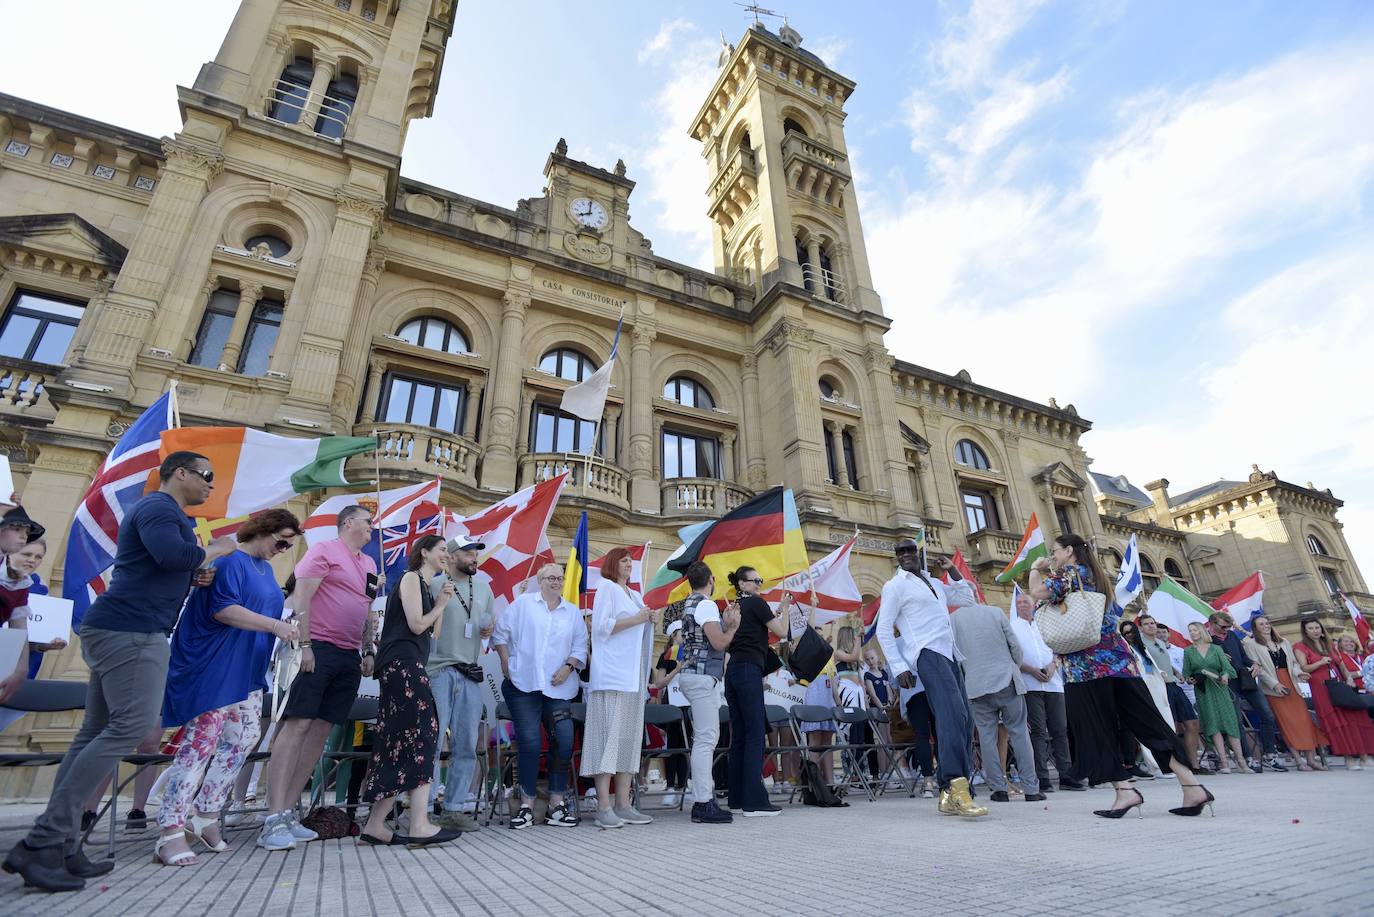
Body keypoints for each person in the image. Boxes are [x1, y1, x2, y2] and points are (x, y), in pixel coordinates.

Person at [3, 452, 236, 892]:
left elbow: (164, 565)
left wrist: (193, 574)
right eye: (206, 475)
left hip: (124, 627)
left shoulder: (167, 514)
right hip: (132, 631)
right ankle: (43, 841)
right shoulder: (158, 508)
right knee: (128, 726)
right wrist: (216, 548)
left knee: (95, 732)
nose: (210, 484)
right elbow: (171, 555)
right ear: (180, 473)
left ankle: (63, 842)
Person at [153, 509, 302, 866]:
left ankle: (206, 814)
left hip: (246, 671)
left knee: (244, 739)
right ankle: (169, 829)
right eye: (280, 540)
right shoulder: (230, 560)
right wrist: (274, 626)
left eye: (289, 545)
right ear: (262, 530)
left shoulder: (266, 570)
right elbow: (223, 610)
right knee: (199, 747)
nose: (282, 549)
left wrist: (281, 626)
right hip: (214, 667)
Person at [1028, 534, 1209, 819]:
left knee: (1094, 730)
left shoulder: (1070, 573)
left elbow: (1037, 593)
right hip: (1120, 663)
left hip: (1086, 668)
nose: (1052, 556)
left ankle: (1125, 791)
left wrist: (1035, 569)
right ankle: (1191, 785)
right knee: (1148, 724)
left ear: (1069, 551)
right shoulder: (1097, 577)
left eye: (1055, 551)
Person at [259, 504, 377, 851]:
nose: (373, 527)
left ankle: (289, 814)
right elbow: (301, 599)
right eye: (368, 522)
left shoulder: (369, 564)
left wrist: (368, 649)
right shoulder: (324, 550)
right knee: (297, 724)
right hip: (317, 647)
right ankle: (273, 816)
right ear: (349, 523)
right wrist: (305, 645)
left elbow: (367, 610)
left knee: (322, 729)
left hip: (348, 654)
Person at [357, 535, 458, 847]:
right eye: (442, 549)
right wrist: (439, 604)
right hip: (402, 665)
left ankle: (375, 825)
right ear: (424, 552)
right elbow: (416, 625)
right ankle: (419, 824)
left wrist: (441, 600)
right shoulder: (410, 578)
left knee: (399, 741)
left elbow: (433, 633)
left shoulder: (426, 587)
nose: (446, 554)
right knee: (422, 735)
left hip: (408, 664)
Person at [876, 542, 986, 818]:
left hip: (950, 654)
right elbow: (883, 630)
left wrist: (954, 572)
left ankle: (948, 794)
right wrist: (899, 665)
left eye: (909, 551)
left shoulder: (934, 582)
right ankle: (956, 785)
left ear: (918, 554)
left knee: (963, 719)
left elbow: (967, 599)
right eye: (899, 552)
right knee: (950, 717)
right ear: (897, 558)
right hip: (926, 654)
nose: (905, 556)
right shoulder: (895, 586)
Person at [492, 563, 588, 829]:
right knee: (531, 742)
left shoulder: (572, 613)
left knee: (565, 739)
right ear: (540, 580)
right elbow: (499, 633)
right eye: (551, 577)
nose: (557, 581)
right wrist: (504, 661)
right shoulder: (523, 604)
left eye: (560, 577)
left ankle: (556, 805)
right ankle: (526, 805)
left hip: (559, 688)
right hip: (524, 685)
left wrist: (569, 667)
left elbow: (581, 646)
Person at [581, 547, 660, 829]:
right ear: (613, 564)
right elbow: (601, 627)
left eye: (630, 561)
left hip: (632, 676)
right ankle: (603, 805)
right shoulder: (606, 588)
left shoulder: (635, 595)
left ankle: (623, 803)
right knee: (607, 739)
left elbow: (637, 631)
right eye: (624, 561)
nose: (629, 565)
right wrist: (638, 619)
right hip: (612, 676)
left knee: (627, 740)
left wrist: (648, 621)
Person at [949, 590, 1044, 803]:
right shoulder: (995, 613)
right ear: (975, 594)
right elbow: (1015, 647)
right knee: (1019, 733)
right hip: (1005, 679)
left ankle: (998, 789)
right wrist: (1014, 666)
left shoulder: (952, 620)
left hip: (976, 685)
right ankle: (1031, 788)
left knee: (987, 738)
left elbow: (954, 655)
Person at [427, 538, 493, 833]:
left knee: (466, 744)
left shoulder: (484, 588)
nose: (474, 557)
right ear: (451, 557)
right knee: (432, 740)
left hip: (469, 672)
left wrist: (488, 629)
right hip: (438, 670)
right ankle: (424, 808)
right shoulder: (433, 584)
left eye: (476, 553)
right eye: (468, 552)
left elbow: (485, 625)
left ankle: (453, 809)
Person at [724, 565, 790, 817]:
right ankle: (754, 801)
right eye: (755, 581)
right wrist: (784, 609)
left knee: (740, 735)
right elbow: (782, 632)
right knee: (753, 735)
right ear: (741, 584)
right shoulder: (756, 603)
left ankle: (737, 798)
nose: (759, 584)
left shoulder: (733, 608)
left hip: (733, 672)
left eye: (760, 580)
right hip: (749, 669)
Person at [675, 562, 736, 824]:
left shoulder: (689, 602)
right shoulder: (706, 603)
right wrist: (732, 627)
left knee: (704, 738)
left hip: (692, 674)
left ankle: (703, 797)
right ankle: (703, 801)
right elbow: (719, 642)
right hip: (701, 676)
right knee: (706, 739)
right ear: (710, 579)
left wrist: (724, 621)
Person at [1007, 589, 1081, 792]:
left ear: (1033, 605)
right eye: (1019, 602)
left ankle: (1066, 774)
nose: (1023, 605)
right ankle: (1042, 776)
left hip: (1053, 683)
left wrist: (1052, 666)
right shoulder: (1012, 628)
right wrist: (1030, 670)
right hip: (1030, 684)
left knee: (1060, 730)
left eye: (1026, 602)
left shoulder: (1045, 625)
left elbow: (1059, 649)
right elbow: (1012, 655)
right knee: (1038, 731)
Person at [0, 538, 68, 732]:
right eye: (26, 554)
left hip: (17, 670)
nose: (33, 560)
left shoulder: (38, 585)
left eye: (38, 557)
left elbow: (22, 637)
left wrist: (43, 646)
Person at [1243, 615, 1325, 771]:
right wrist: (1275, 684)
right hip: (1274, 687)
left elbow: (1293, 663)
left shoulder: (1283, 642)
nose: (1266, 626)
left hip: (1291, 683)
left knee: (1304, 721)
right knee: (1287, 723)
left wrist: (1299, 673)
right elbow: (1258, 669)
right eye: (1261, 624)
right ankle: (1298, 760)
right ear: (1255, 627)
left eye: (1267, 623)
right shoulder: (1251, 644)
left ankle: (1311, 759)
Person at [1207, 611, 1285, 772]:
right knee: (1236, 722)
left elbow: (1243, 657)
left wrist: (1255, 664)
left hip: (1245, 678)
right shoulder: (1208, 641)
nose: (1226, 629)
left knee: (1267, 715)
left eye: (1229, 626)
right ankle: (1247, 757)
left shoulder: (1232, 636)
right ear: (1212, 624)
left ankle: (1270, 753)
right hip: (1228, 682)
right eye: (1223, 626)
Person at [1293, 618, 1374, 769]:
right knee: (1337, 722)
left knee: (1354, 717)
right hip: (1322, 688)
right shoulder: (1300, 646)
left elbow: (1341, 664)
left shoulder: (1329, 645)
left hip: (1339, 685)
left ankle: (1364, 755)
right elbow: (1304, 668)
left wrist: (1349, 677)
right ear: (1305, 631)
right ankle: (1348, 758)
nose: (1315, 631)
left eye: (1317, 627)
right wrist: (1320, 662)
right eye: (1311, 628)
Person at [1183, 621, 1250, 775]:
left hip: (1220, 689)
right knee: (1213, 724)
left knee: (1230, 723)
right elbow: (1186, 673)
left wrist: (1225, 675)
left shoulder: (1216, 649)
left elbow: (1229, 669)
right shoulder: (1188, 651)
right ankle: (1223, 761)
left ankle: (1241, 761)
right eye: (1190, 630)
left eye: (1195, 630)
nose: (1192, 633)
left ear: (1201, 631)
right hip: (1204, 691)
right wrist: (1190, 679)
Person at [1137, 614, 1203, 771]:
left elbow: (1164, 661)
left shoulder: (1160, 642)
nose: (1151, 626)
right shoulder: (1140, 644)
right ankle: (1174, 763)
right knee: (1169, 725)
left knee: (1192, 723)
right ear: (1140, 628)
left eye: (1152, 623)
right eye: (1146, 624)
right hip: (1160, 687)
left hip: (1174, 685)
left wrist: (1176, 672)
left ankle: (1193, 763)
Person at [0, 508, 50, 710]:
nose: (23, 535)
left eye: (26, 531)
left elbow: (18, 627)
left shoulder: (19, 581)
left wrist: (21, 668)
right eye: (16, 528)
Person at [1118, 618, 1176, 773]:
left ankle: (1172, 761)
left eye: (1131, 631)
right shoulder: (1123, 649)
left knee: (1165, 720)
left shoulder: (1143, 646)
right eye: (1125, 633)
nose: (1129, 635)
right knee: (1148, 723)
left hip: (1156, 683)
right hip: (1139, 685)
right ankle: (1155, 764)